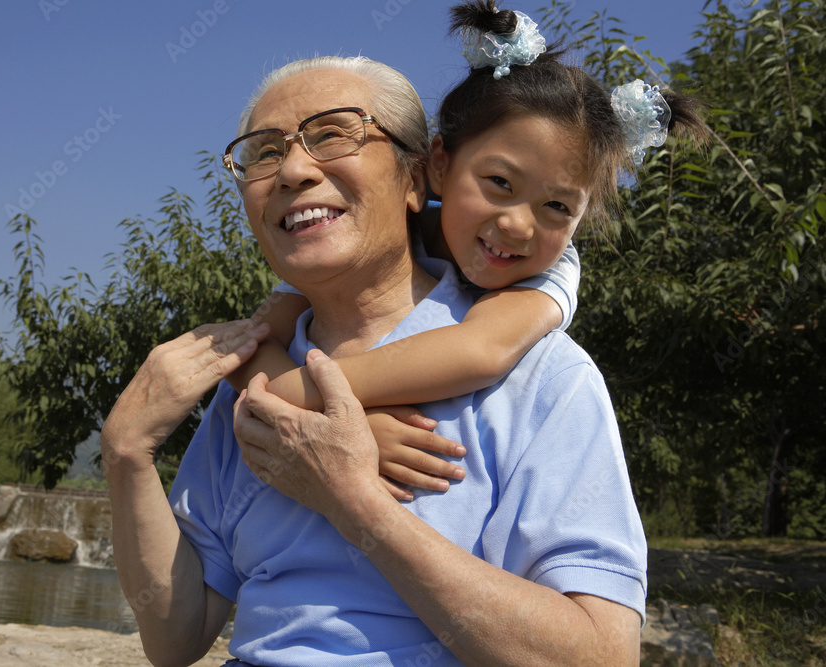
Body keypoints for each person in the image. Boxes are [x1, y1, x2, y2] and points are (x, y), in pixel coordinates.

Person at [102, 3, 705, 664]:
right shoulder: (251, 384)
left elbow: (600, 656)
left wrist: (357, 501)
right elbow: (176, 638)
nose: (294, 169)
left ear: (418, 175)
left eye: (333, 134)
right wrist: (127, 454)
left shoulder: (545, 378)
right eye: (264, 152)